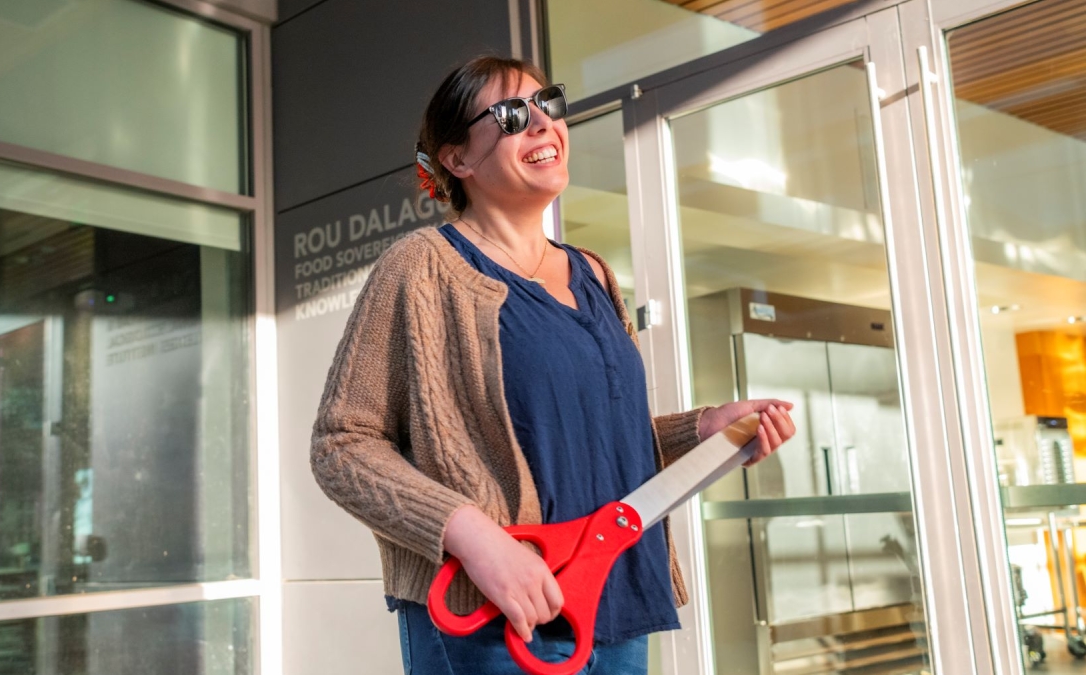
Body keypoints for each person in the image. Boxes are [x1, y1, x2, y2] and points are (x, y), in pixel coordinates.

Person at [311, 56, 797, 675]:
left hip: (616, 596)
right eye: (514, 115)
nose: (544, 125)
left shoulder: (593, 272)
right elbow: (341, 445)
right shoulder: (421, 268)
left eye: (551, 104)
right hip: (496, 614)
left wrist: (704, 432)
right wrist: (472, 536)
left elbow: (592, 440)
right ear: (458, 160)